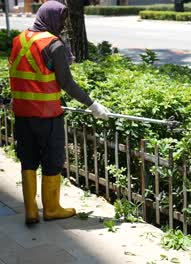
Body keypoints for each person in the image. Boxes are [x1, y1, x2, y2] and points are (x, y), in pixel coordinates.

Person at [8, 0, 110, 225]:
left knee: (28, 158)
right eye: (61, 19)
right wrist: (92, 105)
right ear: (51, 17)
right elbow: (67, 83)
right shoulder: (53, 44)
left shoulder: (19, 39)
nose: (63, 24)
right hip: (47, 115)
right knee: (52, 160)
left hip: (23, 114)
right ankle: (52, 209)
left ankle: (31, 211)